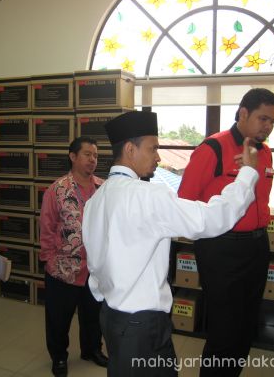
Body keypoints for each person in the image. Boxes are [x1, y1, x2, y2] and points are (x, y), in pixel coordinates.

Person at [82, 110, 260, 377]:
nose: (158, 157)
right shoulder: (148, 196)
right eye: (153, 148)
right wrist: (247, 174)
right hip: (142, 325)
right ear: (130, 149)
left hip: (111, 316)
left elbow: (95, 264)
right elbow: (211, 218)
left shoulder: (97, 198)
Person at [177, 88, 274, 377]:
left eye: (273, 121)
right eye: (263, 118)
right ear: (243, 113)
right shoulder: (213, 148)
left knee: (247, 327)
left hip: (257, 246)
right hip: (221, 249)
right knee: (224, 330)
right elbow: (185, 201)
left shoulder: (264, 152)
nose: (268, 126)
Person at [40, 136, 108, 377]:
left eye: (95, 155)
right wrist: (50, 261)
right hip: (63, 269)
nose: (92, 159)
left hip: (95, 270)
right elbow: (47, 228)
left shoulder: (104, 189)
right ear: (73, 156)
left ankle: (92, 350)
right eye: (87, 154)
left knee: (93, 317)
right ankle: (59, 356)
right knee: (59, 319)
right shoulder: (57, 190)